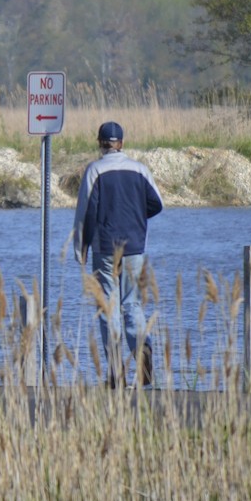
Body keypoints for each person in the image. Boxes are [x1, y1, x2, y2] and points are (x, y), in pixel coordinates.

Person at [73, 121, 163, 387]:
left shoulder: (95, 170)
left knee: (107, 307)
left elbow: (86, 213)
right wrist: (135, 216)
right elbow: (157, 203)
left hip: (105, 247)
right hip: (135, 246)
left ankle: (115, 373)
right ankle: (142, 348)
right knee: (132, 303)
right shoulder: (140, 170)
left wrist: (81, 247)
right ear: (121, 143)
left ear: (100, 143)